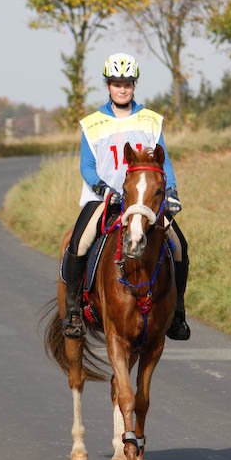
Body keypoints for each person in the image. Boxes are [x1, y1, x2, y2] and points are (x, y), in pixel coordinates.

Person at [63, 52, 190, 341]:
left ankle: (177, 312)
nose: (122, 89)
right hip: (105, 200)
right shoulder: (92, 124)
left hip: (144, 201)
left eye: (128, 83)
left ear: (134, 86)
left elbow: (164, 161)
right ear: (108, 85)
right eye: (117, 83)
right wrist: (103, 189)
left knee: (179, 245)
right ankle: (73, 310)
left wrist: (170, 191)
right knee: (78, 243)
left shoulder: (150, 120)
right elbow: (87, 165)